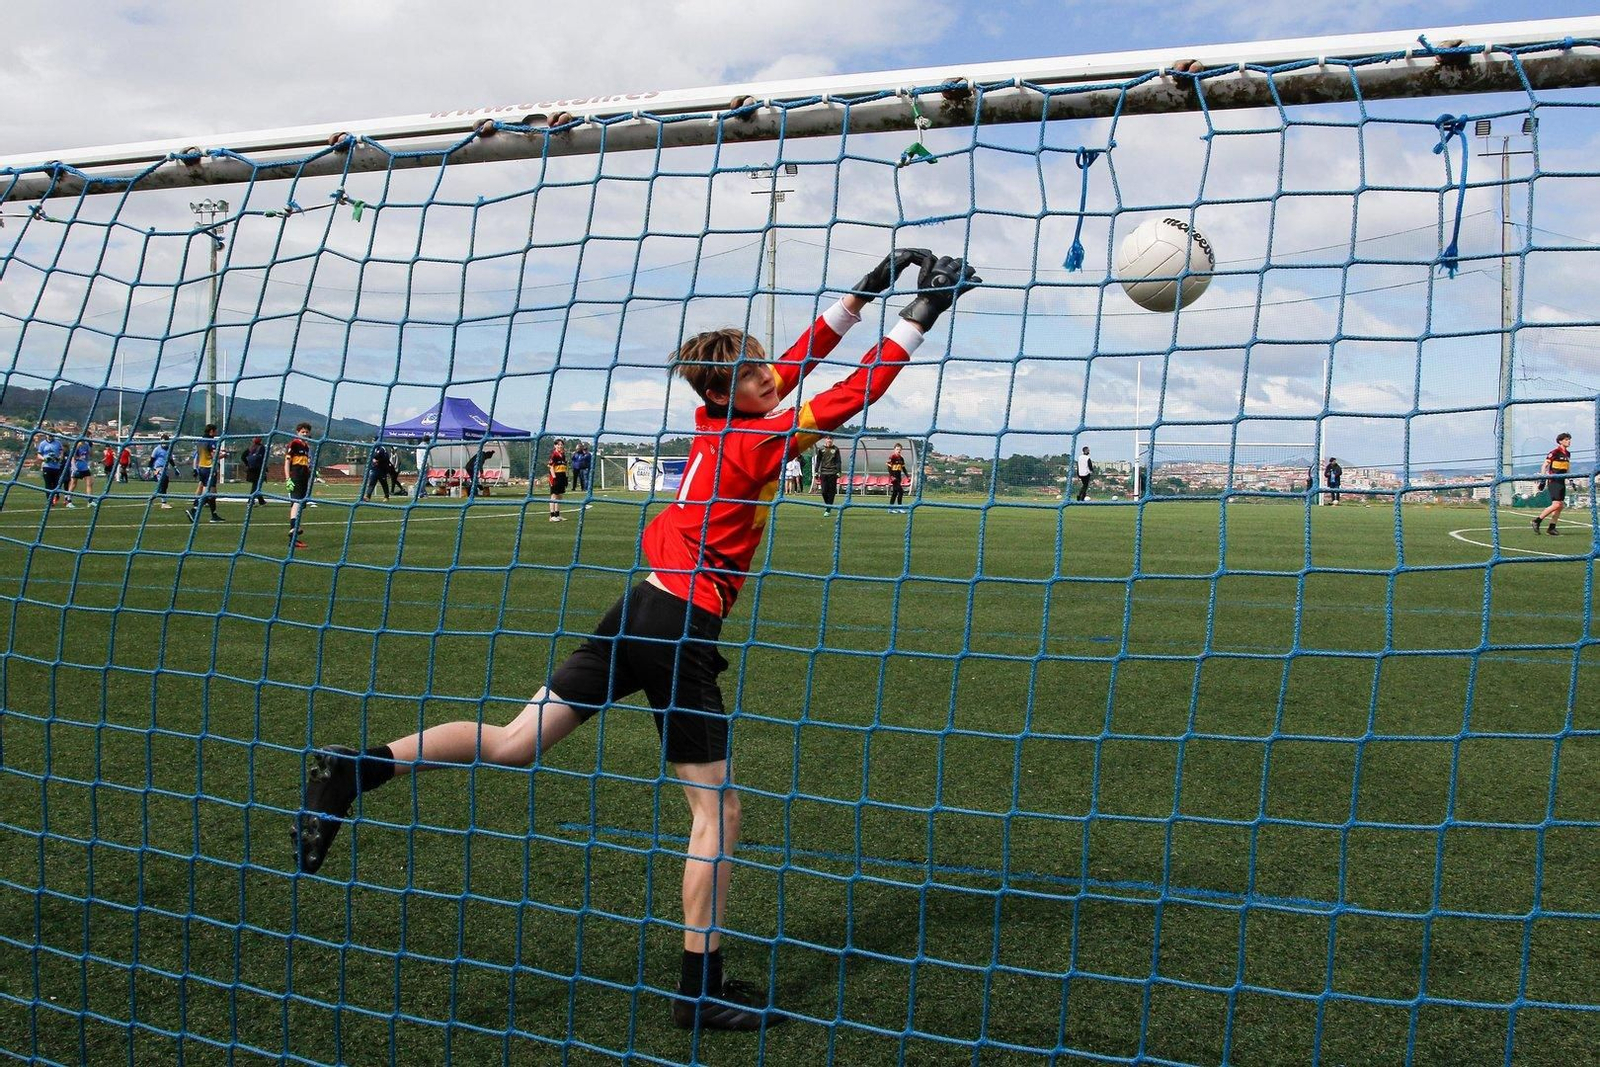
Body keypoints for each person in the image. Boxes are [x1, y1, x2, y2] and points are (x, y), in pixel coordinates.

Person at [291, 247, 980, 1032]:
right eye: (756, 373)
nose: (772, 375)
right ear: (729, 390)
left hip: (640, 608)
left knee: (516, 742)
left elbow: (800, 360)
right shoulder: (756, 441)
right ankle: (699, 987)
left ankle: (354, 769)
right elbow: (854, 392)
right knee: (717, 810)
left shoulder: (720, 415)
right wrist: (924, 314)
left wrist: (865, 293)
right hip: (679, 625)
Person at [1533, 432, 1573, 536]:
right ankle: (1537, 521)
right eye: (1566, 439)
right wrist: (1543, 479)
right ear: (1560, 441)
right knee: (1557, 504)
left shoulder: (1568, 454)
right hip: (1554, 481)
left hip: (1562, 481)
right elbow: (1545, 465)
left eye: (1569, 439)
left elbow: (1567, 468)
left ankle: (1551, 528)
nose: (1568, 441)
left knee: (1560, 506)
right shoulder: (1554, 452)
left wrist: (1571, 480)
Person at [186, 424, 224, 524]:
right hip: (209, 469)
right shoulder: (211, 441)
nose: (216, 433)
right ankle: (194, 510)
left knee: (213, 493)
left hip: (201, 468)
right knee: (209, 493)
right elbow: (213, 456)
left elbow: (201, 454)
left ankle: (214, 515)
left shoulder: (200, 441)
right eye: (215, 431)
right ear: (211, 431)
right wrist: (224, 455)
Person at [285, 422, 314, 549]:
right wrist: (288, 479)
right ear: (298, 432)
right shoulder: (294, 444)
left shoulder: (307, 447)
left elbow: (306, 463)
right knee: (296, 502)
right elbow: (287, 462)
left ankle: (293, 540)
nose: (305, 434)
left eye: (307, 432)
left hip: (304, 477)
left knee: (300, 505)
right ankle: (293, 527)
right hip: (296, 475)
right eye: (303, 432)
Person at [35, 433, 66, 506]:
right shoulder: (43, 443)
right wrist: (44, 459)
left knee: (56, 484)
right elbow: (39, 455)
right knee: (48, 484)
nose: (50, 437)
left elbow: (61, 453)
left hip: (56, 467)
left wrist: (59, 458)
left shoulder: (58, 443)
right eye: (49, 435)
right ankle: (49, 500)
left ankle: (56, 496)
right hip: (47, 466)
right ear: (46, 435)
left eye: (52, 435)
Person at [815, 436, 842, 515]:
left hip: (833, 473)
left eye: (831, 439)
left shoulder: (836, 449)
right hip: (823, 473)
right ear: (825, 440)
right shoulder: (821, 449)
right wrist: (816, 471)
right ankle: (828, 505)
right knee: (823, 491)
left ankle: (828, 509)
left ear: (832, 440)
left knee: (831, 491)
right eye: (828, 438)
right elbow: (818, 461)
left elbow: (838, 461)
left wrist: (838, 471)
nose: (829, 440)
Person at [67, 438, 95, 507]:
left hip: (85, 467)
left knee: (89, 483)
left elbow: (90, 454)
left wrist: (91, 447)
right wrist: (74, 467)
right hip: (77, 467)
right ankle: (68, 501)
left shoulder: (86, 445)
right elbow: (73, 457)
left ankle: (90, 501)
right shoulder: (77, 445)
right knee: (73, 484)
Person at [150, 436, 174, 508]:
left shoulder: (169, 449)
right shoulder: (157, 449)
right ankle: (164, 503)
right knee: (163, 482)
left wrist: (175, 468)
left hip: (165, 468)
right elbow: (152, 459)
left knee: (163, 485)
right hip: (158, 469)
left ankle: (151, 498)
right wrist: (149, 469)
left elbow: (170, 459)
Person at [243, 437, 268, 505]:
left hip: (251, 469)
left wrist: (247, 464)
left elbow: (243, 456)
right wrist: (265, 468)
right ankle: (251, 500)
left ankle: (261, 501)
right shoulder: (262, 448)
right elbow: (264, 459)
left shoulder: (250, 448)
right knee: (256, 485)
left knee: (256, 485)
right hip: (259, 469)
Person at [547, 442, 568, 521]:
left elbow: (565, 467)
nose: (560, 446)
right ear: (555, 446)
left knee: (559, 496)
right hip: (556, 476)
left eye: (561, 445)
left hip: (562, 476)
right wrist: (554, 477)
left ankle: (557, 514)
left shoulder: (563, 455)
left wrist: (565, 477)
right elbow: (551, 467)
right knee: (554, 496)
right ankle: (552, 516)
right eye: (558, 445)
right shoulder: (554, 455)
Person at [886, 443, 908, 513]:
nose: (898, 451)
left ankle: (890, 508)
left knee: (895, 493)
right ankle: (900, 508)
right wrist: (892, 476)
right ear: (894, 449)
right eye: (897, 449)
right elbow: (889, 468)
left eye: (900, 449)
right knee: (901, 491)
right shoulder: (892, 457)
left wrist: (907, 476)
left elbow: (903, 468)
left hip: (899, 477)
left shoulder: (901, 458)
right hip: (894, 477)